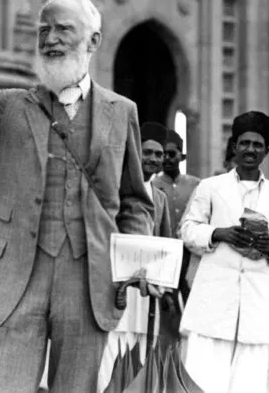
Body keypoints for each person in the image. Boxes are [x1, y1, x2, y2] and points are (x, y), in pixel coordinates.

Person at [0, 0, 154, 392]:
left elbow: (133, 202)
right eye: (44, 29)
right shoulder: (9, 106)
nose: (51, 38)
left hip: (89, 284)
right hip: (15, 279)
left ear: (93, 41)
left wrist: (136, 260)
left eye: (63, 29)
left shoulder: (121, 111)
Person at [180, 111, 269, 393]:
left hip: (254, 296)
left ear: (266, 151)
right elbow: (187, 229)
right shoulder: (210, 187)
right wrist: (219, 233)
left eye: (257, 145)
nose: (250, 149)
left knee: (249, 380)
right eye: (244, 143)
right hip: (214, 298)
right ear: (234, 146)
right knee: (204, 377)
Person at [97, 121, 173, 392]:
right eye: (148, 152)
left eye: (159, 154)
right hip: (113, 285)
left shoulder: (160, 198)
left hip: (144, 292)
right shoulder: (113, 188)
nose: (153, 158)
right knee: (110, 352)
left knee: (138, 351)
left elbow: (165, 243)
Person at [153, 127, 200, 300]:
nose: (167, 158)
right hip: (164, 254)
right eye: (163, 154)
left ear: (182, 156)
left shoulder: (197, 185)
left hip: (189, 253)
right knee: (167, 305)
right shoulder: (152, 185)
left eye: (171, 154)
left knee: (193, 302)